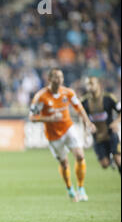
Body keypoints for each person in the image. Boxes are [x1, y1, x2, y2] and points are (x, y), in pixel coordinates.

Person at [29, 68, 96, 202]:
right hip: (53, 135)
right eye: (56, 77)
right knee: (64, 163)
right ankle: (70, 189)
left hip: (68, 128)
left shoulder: (68, 93)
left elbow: (79, 108)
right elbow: (32, 117)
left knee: (80, 155)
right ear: (49, 79)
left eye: (61, 77)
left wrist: (88, 123)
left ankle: (81, 188)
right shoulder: (41, 97)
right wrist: (50, 119)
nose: (59, 80)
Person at [81, 76, 121, 174]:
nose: (90, 87)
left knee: (118, 160)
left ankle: (115, 158)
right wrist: (86, 130)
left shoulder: (109, 98)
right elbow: (82, 117)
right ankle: (110, 160)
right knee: (104, 164)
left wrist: (116, 122)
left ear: (98, 85)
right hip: (97, 136)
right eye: (87, 84)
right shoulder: (84, 101)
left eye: (92, 84)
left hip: (111, 133)